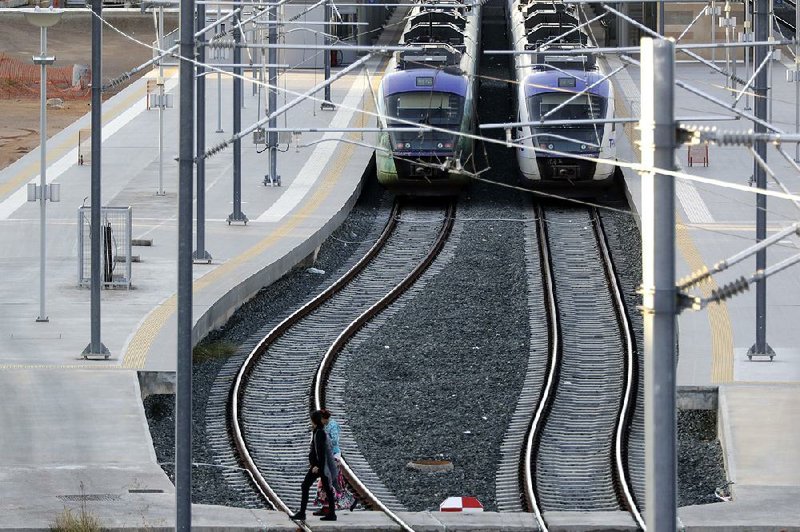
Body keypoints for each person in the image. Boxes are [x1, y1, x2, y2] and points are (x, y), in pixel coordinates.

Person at [290, 410, 337, 522]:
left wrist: (317, 467)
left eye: (311, 419)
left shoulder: (319, 433)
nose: (310, 421)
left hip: (320, 467)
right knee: (325, 489)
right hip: (318, 466)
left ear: (314, 421)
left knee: (307, 486)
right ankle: (331, 514)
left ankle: (303, 513)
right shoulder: (317, 431)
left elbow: (321, 452)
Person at [313, 409, 356, 515]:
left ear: (324, 418)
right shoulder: (323, 426)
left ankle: (328, 507)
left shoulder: (333, 425)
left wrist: (324, 439)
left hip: (333, 456)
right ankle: (329, 506)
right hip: (327, 456)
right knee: (333, 483)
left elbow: (335, 441)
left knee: (328, 482)